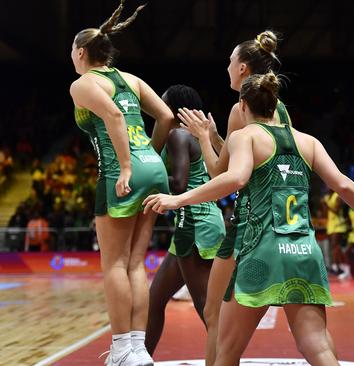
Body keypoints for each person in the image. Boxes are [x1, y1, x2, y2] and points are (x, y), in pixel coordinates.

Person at [143, 72, 354, 365]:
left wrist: (179, 198)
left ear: (242, 105)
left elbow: (235, 179)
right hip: (304, 252)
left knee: (226, 350)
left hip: (262, 254)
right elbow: (342, 184)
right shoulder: (308, 142)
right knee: (316, 345)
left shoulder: (244, 137)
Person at [173, 30, 296, 365]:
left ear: (242, 68)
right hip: (286, 222)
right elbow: (251, 157)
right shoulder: (278, 107)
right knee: (305, 331)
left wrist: (201, 137)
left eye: (230, 62)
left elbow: (220, 173)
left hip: (248, 221)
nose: (227, 67)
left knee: (215, 314)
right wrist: (215, 135)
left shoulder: (239, 108)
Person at [69, 1, 173, 365]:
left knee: (114, 264)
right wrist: (150, 157)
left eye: (72, 51)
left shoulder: (82, 84)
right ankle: (137, 349)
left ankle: (120, 350)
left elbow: (113, 114)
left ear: (81, 52)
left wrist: (127, 167)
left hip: (120, 172)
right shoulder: (131, 79)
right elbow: (166, 116)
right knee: (134, 265)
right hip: (153, 169)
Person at [144, 85, 226, 355]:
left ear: (175, 110)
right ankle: (139, 359)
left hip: (195, 223)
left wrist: (145, 181)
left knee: (207, 311)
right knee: (153, 301)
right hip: (192, 222)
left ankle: (226, 360)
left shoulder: (178, 134)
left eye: (163, 103)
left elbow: (178, 185)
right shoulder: (192, 135)